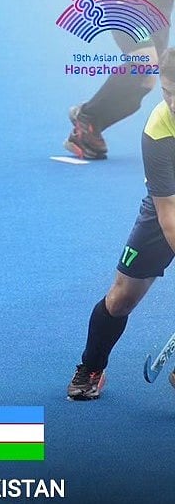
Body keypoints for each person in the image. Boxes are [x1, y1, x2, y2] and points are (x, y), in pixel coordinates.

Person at [68, 47, 175, 400]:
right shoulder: (159, 129)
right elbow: (168, 216)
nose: (173, 103)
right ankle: (92, 366)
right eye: (167, 92)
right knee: (121, 298)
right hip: (167, 208)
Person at [64, 0, 175, 160]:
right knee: (145, 63)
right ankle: (86, 119)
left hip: (159, 11)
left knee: (146, 82)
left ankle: (91, 123)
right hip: (127, 1)